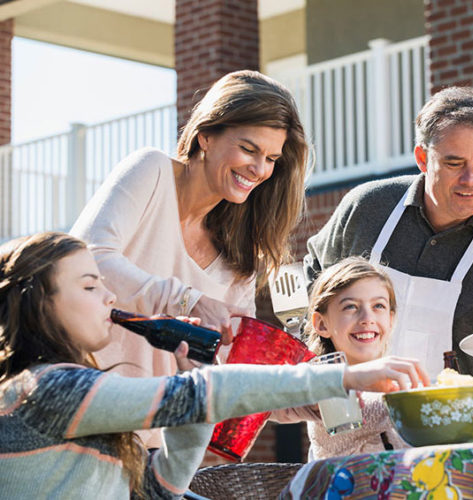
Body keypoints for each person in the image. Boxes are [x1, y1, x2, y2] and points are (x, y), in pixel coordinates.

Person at [0, 232, 429, 498]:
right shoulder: (47, 390)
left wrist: (194, 402)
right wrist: (344, 375)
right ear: (39, 303)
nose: (111, 297)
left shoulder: (70, 391)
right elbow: (204, 393)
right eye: (91, 285)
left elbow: (161, 487)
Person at [71, 70, 308, 446]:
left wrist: (283, 402)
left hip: (153, 448)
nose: (260, 169)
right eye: (248, 149)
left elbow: (225, 368)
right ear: (206, 136)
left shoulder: (242, 256)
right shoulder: (152, 172)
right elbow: (85, 261)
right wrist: (187, 301)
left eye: (271, 158)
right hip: (82, 422)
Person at [305, 86, 473, 400]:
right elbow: (315, 276)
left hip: (455, 437)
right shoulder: (368, 207)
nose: (471, 180)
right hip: (349, 421)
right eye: (454, 164)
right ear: (423, 158)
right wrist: (322, 363)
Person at [271, 257, 410, 459]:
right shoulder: (323, 378)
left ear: (390, 319)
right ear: (322, 324)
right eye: (350, 307)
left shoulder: (397, 378)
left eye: (378, 306)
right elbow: (371, 410)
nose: (367, 318)